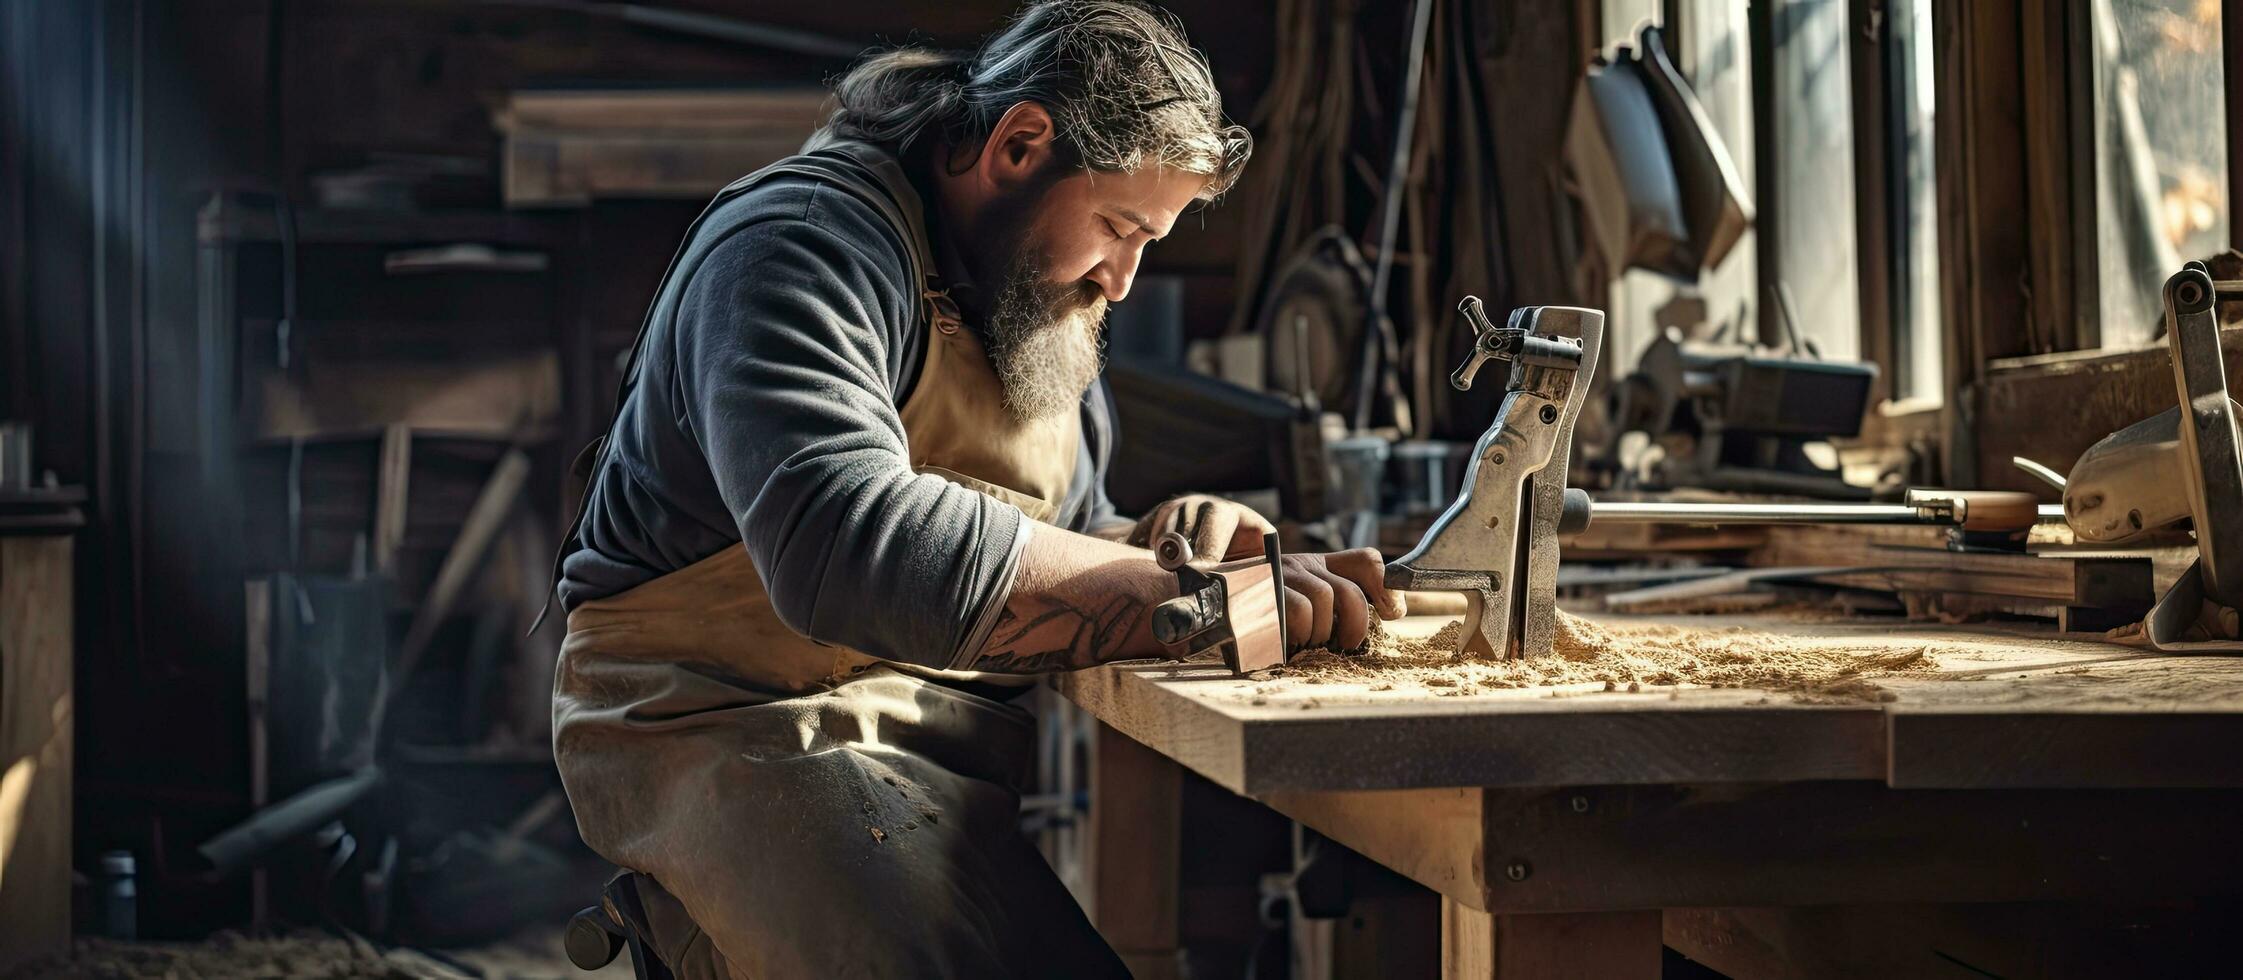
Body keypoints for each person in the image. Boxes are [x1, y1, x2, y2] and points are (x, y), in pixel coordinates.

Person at [549, 2, 1401, 975]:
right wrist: (1192, 602)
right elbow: (846, 544)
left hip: (928, 756)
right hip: (722, 724)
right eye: (1119, 226)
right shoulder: (800, 244)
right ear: (1020, 144)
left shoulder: (1028, 299)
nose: (1122, 279)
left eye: (1147, 243)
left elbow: (1058, 537)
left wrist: (1165, 540)